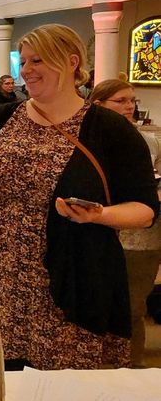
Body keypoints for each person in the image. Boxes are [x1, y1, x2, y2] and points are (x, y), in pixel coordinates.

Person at [0, 24, 159, 370]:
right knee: (4, 372)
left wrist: (99, 215)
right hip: (2, 272)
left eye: (37, 60)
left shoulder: (110, 129)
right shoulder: (0, 119)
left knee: (63, 379)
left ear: (72, 62)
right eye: (23, 61)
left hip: (71, 273)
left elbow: (145, 210)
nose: (26, 70)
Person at [90, 79, 161, 367]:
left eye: (132, 100)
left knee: (132, 306)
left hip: (140, 236)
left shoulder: (149, 139)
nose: (129, 106)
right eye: (120, 101)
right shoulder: (89, 139)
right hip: (97, 231)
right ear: (98, 105)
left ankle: (132, 369)